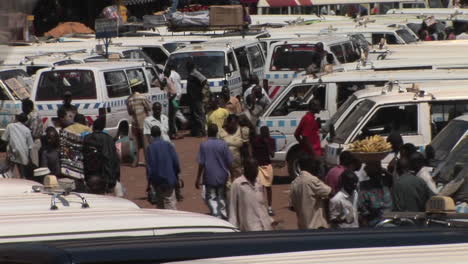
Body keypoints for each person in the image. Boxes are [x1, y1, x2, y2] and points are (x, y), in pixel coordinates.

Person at [195, 124, 233, 219]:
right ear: (217, 133)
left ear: (208, 133)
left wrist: (198, 178)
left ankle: (216, 216)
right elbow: (229, 162)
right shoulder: (223, 144)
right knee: (221, 197)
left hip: (209, 177)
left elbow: (201, 164)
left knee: (211, 198)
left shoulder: (204, 145)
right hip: (222, 176)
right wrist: (232, 175)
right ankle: (223, 216)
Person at [229, 158, 273, 232]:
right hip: (250, 229)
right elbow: (232, 209)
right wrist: (233, 229)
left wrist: (271, 220)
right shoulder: (238, 184)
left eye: (256, 169)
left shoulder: (258, 182)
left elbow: (261, 205)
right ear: (246, 169)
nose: (255, 172)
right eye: (252, 169)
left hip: (265, 227)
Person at [290, 155, 331, 230]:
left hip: (303, 226)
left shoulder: (294, 183)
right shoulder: (312, 180)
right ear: (309, 165)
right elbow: (329, 192)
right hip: (316, 226)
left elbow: (292, 207)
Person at [146, 126, 181, 210]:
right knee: (170, 201)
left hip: (157, 181)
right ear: (160, 134)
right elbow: (176, 162)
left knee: (160, 204)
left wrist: (150, 182)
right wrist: (177, 175)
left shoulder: (150, 148)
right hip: (169, 178)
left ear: (151, 135)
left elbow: (150, 167)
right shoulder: (168, 145)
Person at [83, 117, 120, 194]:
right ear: (103, 127)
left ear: (93, 126)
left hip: (89, 175)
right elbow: (113, 159)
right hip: (105, 176)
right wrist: (115, 177)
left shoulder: (86, 138)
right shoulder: (108, 139)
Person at [358, 160, 393, 227]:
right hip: (374, 224)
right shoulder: (364, 186)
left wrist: (383, 170)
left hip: (389, 221)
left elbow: (391, 178)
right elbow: (363, 210)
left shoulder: (385, 183)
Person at [251, 126, 276, 216]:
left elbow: (272, 154)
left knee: (268, 187)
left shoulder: (271, 141)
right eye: (263, 133)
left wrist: (267, 144)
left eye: (266, 132)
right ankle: (259, 207)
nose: (265, 134)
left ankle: (269, 207)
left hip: (267, 166)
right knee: (259, 188)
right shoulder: (256, 141)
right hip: (259, 167)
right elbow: (253, 153)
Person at [126, 82, 152, 167]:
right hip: (143, 122)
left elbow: (130, 112)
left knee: (135, 144)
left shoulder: (129, 99)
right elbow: (149, 108)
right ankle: (148, 162)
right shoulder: (142, 97)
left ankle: (135, 162)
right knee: (145, 143)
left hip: (134, 123)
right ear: (138, 87)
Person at [1, 113, 33, 179]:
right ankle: (23, 182)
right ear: (26, 121)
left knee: (8, 169)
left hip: (12, 151)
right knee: (22, 171)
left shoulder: (10, 126)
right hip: (23, 152)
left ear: (17, 118)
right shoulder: (27, 130)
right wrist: (29, 157)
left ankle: (7, 181)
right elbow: (30, 145)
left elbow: (4, 139)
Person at [219, 114, 250, 179]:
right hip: (225, 167)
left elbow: (246, 149)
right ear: (228, 123)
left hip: (238, 167)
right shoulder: (221, 132)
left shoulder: (242, 131)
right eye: (231, 123)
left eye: (235, 123)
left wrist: (247, 163)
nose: (233, 125)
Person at [162, 64, 184, 140]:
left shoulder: (169, 79)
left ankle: (181, 123)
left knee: (173, 115)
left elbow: (173, 92)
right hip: (178, 96)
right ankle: (174, 130)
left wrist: (170, 98)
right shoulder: (176, 75)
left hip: (174, 98)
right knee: (173, 114)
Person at [186, 59, 208, 137]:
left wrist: (200, 91)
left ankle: (202, 131)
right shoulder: (190, 73)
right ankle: (196, 131)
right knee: (194, 115)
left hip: (197, 98)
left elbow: (204, 80)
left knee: (199, 115)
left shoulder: (195, 73)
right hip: (192, 98)